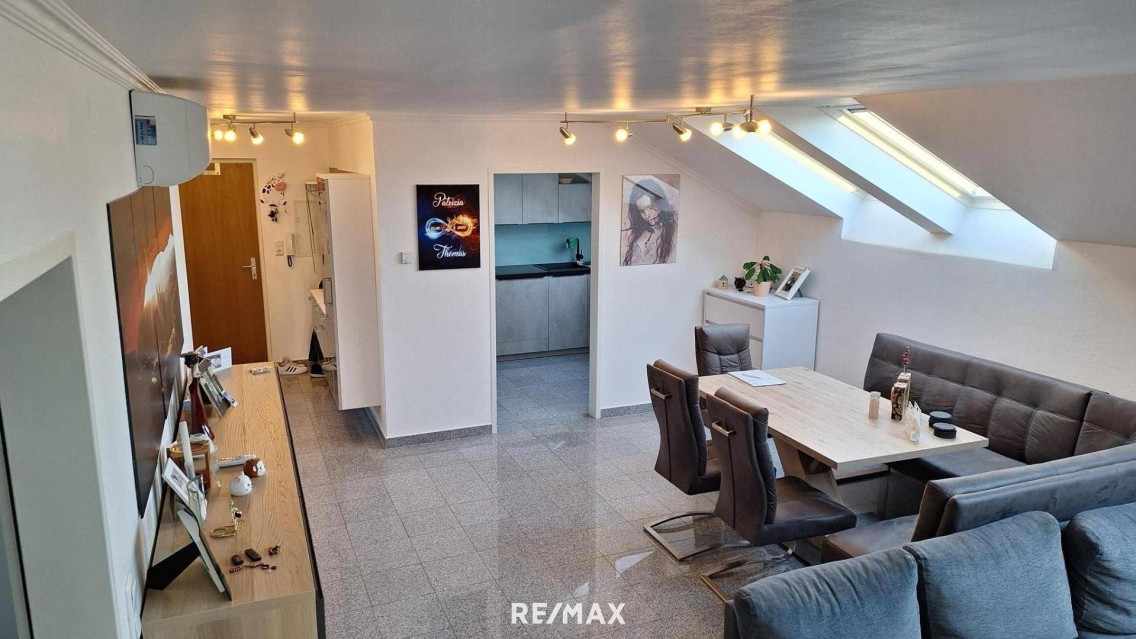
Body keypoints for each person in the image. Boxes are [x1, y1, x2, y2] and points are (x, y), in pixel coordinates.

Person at [621, 178, 677, 265]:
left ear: (660, 203)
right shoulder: (635, 232)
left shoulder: (674, 231)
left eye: (650, 207)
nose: (647, 215)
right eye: (642, 211)